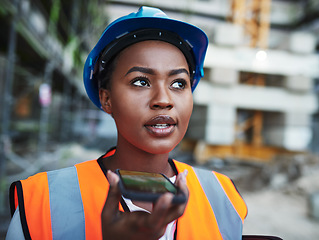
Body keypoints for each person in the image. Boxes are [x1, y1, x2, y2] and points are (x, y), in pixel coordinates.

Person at [6, 6, 247, 240]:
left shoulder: (223, 196)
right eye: (141, 82)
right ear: (107, 98)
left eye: (178, 83)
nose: (163, 100)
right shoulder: (41, 202)